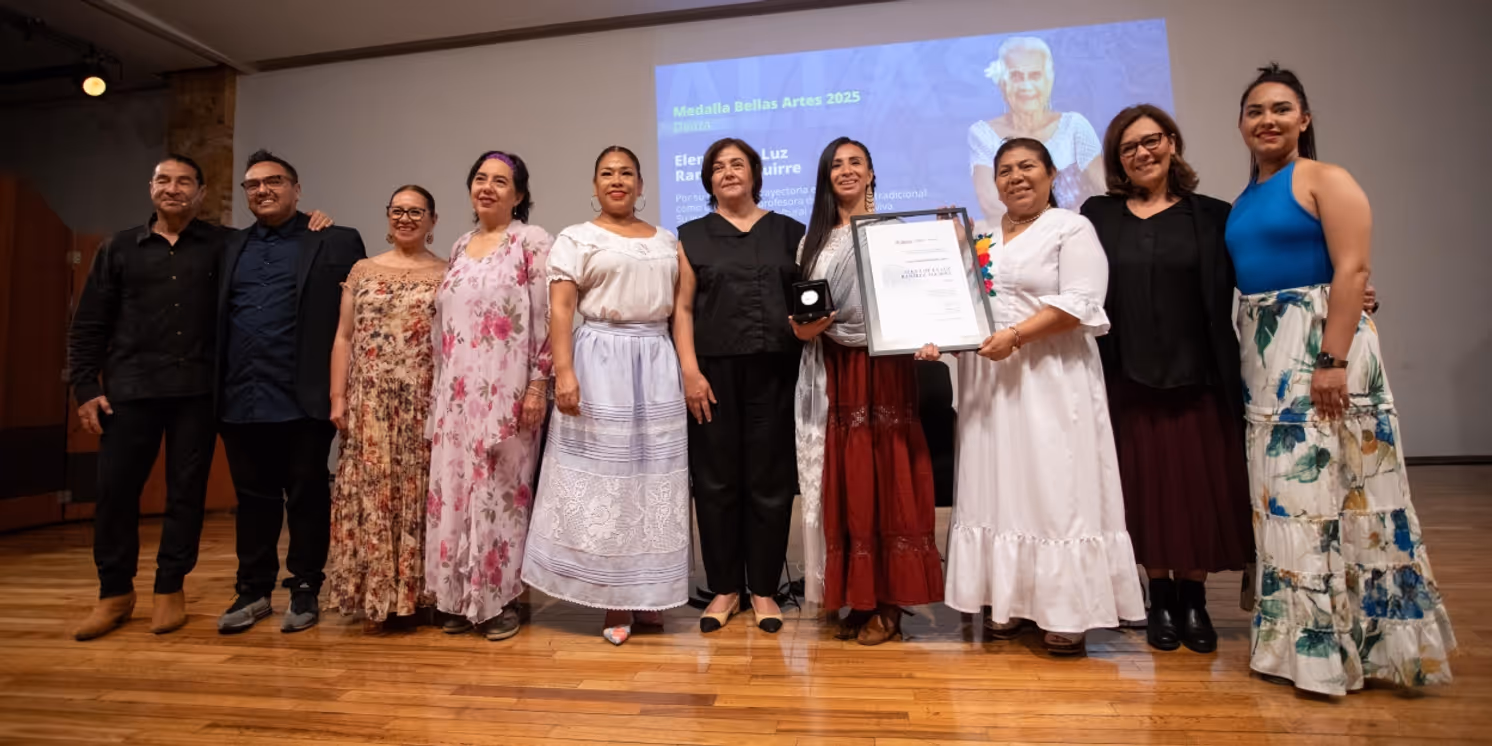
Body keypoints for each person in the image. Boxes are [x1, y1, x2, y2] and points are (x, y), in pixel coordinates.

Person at [1225, 65, 1454, 694]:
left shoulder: (1326, 178)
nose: (1266, 120)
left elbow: (1352, 269)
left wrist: (1332, 359)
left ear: (1305, 118)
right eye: (1254, 111)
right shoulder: (1245, 199)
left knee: (1347, 496)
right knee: (1291, 503)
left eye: (1280, 108)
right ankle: (1302, 647)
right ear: (1241, 124)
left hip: (1323, 355)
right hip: (1266, 362)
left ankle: (1368, 650)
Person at [920, 138, 1144, 656]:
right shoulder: (977, 235)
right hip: (989, 383)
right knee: (998, 486)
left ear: (1050, 174)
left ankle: (1065, 611)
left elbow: (1082, 303)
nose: (1016, 177)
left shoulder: (1072, 228)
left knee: (1053, 488)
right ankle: (1010, 602)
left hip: (1050, 377)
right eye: (1004, 170)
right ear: (993, 181)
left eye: (1027, 167)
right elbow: (965, 310)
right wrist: (939, 341)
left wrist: (1017, 336)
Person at [1078, 105, 1253, 653]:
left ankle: (1194, 600)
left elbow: (1263, 273)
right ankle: (1158, 595)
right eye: (1128, 148)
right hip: (1127, 379)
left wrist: (1347, 295)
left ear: (1172, 143)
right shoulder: (1098, 216)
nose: (1142, 153)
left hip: (1199, 378)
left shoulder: (1214, 215)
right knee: (1145, 491)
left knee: (1198, 489)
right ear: (1117, 162)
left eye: (1151, 141)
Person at [520, 146, 689, 645]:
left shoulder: (667, 240)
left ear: (641, 185)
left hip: (655, 361)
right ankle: (613, 595)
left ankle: (649, 593)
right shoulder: (577, 238)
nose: (617, 181)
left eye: (627, 174)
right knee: (608, 479)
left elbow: (680, 310)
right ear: (594, 186)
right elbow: (561, 310)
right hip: (600, 362)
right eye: (607, 174)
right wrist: (564, 374)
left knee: (653, 477)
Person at [66, 155, 225, 640]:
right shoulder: (118, 248)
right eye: (163, 180)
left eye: (183, 182)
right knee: (115, 494)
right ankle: (114, 593)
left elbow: (281, 241)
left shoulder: (224, 245)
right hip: (129, 391)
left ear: (200, 192)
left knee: (186, 493)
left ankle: (169, 587)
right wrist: (86, 388)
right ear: (151, 188)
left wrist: (315, 221)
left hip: (198, 392)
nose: (172, 189)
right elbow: (88, 322)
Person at [793, 137, 943, 646]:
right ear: (825, 177)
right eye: (836, 164)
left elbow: (920, 297)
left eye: (856, 162)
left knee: (886, 474)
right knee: (848, 480)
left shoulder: (894, 234)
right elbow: (803, 318)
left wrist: (934, 333)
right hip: (833, 369)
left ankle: (890, 603)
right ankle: (857, 597)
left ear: (873, 173)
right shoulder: (812, 241)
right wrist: (807, 329)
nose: (847, 171)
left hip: (885, 366)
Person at [216, 149, 367, 634]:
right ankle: (253, 589)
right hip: (241, 395)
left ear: (297, 189)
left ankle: (305, 587)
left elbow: (359, 318)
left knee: (306, 494)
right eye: (253, 184)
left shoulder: (336, 240)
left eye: (274, 181)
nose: (263, 190)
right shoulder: (228, 247)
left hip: (304, 397)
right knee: (253, 498)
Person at [674, 138, 804, 634]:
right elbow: (682, 309)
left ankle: (765, 590)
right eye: (718, 167)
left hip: (775, 371)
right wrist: (689, 370)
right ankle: (726, 587)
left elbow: (805, 302)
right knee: (715, 482)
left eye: (738, 164)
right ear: (708, 180)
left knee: (769, 484)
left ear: (755, 172)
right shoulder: (690, 236)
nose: (728, 172)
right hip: (712, 375)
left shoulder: (790, 232)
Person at [425, 152, 553, 641]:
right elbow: (444, 329)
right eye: (480, 179)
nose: (488, 188)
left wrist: (539, 384)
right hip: (456, 396)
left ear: (518, 195)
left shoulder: (531, 241)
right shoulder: (459, 245)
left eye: (501, 182)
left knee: (503, 496)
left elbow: (545, 319)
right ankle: (460, 598)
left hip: (508, 394)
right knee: (456, 494)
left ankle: (501, 601)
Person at [326, 185, 446, 634]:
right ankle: (378, 594)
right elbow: (343, 337)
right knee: (375, 494)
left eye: (416, 212)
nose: (406, 218)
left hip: (423, 399)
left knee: (418, 494)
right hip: (369, 399)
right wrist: (338, 397)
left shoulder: (446, 272)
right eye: (398, 211)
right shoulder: (363, 270)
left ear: (434, 220)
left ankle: (420, 595)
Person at [969, 36, 1103, 225]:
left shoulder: (1075, 126)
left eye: (1035, 75)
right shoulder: (983, 134)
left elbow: (1104, 190)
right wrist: (1040, 234)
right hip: (1020, 243)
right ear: (1002, 82)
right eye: (1016, 76)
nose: (1026, 86)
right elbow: (991, 204)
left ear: (1050, 78)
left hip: (1079, 233)